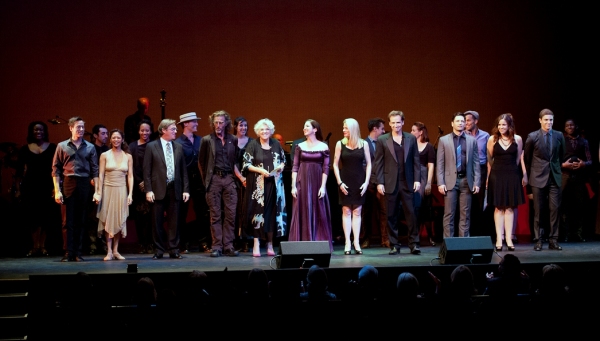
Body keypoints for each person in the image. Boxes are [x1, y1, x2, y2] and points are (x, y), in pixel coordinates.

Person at [373, 111, 421, 255]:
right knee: (391, 215)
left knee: (411, 214)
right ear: (389, 123)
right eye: (393, 123)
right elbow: (378, 163)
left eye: (398, 122)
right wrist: (379, 182)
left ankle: (414, 244)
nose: (395, 125)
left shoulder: (411, 138)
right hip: (389, 182)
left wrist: (418, 179)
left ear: (403, 122)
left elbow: (416, 161)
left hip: (407, 182)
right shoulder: (382, 140)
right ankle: (394, 244)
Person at [52, 117, 99, 262]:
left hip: (84, 182)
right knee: (67, 221)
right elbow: (56, 169)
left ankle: (78, 252)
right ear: (70, 128)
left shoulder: (90, 147)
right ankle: (68, 252)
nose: (81, 130)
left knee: (81, 219)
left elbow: (95, 171)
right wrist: (57, 190)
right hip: (68, 181)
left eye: (83, 127)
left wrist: (97, 191)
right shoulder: (62, 146)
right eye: (78, 127)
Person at [143, 118, 190, 259]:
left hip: (174, 188)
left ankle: (173, 249)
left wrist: (186, 189)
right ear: (163, 130)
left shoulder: (178, 147)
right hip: (157, 188)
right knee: (157, 221)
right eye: (173, 129)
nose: (176, 131)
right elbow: (147, 171)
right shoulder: (152, 146)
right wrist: (148, 190)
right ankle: (158, 250)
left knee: (174, 221)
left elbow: (183, 171)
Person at [198, 110, 241, 257]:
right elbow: (201, 162)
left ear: (226, 123)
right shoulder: (207, 140)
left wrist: (238, 178)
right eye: (215, 122)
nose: (218, 125)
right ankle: (217, 246)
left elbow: (235, 160)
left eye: (220, 122)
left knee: (231, 214)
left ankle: (228, 245)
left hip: (229, 178)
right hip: (214, 179)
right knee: (215, 215)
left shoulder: (233, 139)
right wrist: (207, 181)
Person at [242, 118, 286, 257]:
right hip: (258, 187)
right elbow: (246, 164)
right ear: (258, 131)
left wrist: (280, 167)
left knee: (272, 214)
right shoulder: (252, 145)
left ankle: (270, 244)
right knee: (258, 214)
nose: (265, 132)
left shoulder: (276, 144)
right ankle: (256, 243)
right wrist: (260, 170)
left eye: (267, 129)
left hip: (274, 185)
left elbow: (284, 161)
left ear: (271, 131)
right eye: (262, 129)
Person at [523, 109, 566, 251]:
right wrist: (529, 181)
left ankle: (553, 240)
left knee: (555, 209)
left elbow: (561, 155)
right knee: (539, 210)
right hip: (538, 177)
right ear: (540, 120)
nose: (549, 122)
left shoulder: (559, 136)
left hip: (554, 177)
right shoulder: (533, 136)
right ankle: (539, 240)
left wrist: (556, 170)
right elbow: (527, 159)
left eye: (551, 120)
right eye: (546, 120)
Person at [288, 119, 333, 252]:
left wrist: (323, 186)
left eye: (307, 126)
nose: (304, 128)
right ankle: (302, 243)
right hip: (302, 181)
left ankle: (319, 243)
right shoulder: (299, 146)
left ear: (315, 129)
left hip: (318, 181)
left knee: (319, 209)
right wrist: (293, 186)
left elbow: (326, 168)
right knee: (302, 209)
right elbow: (295, 167)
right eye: (304, 126)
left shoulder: (323, 146)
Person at [15, 121, 58, 257]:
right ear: (31, 132)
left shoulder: (53, 148)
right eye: (35, 130)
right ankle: (34, 246)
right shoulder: (24, 149)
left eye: (41, 130)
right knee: (32, 217)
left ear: (45, 132)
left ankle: (43, 246)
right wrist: (18, 189)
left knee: (46, 216)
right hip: (30, 186)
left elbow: (57, 169)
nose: (38, 132)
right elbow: (19, 172)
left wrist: (56, 188)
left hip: (47, 185)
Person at [436, 112, 480, 238]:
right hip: (450, 181)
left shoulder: (472, 141)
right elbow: (440, 163)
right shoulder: (444, 140)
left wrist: (477, 182)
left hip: (466, 180)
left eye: (463, 121)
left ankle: (464, 245)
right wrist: (440, 182)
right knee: (449, 214)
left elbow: (476, 163)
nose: (461, 123)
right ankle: (449, 245)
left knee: (465, 215)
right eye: (458, 121)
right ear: (452, 123)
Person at [486, 114, 527, 251]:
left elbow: (518, 158)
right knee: (498, 207)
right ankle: (499, 238)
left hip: (512, 174)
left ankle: (509, 238)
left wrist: (517, 173)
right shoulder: (492, 139)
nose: (501, 127)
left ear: (509, 125)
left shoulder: (518, 139)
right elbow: (489, 160)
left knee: (509, 207)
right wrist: (489, 177)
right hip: (497, 175)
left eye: (504, 124)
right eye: (499, 125)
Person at [332, 118, 371, 255]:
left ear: (353, 129)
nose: (343, 130)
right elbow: (335, 164)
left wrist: (366, 183)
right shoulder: (340, 144)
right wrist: (339, 182)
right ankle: (347, 242)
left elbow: (369, 164)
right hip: (345, 181)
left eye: (346, 128)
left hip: (360, 181)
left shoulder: (364, 144)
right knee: (346, 211)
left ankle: (356, 242)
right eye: (343, 127)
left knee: (358, 211)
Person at [93, 129, 133, 261]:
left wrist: (130, 194)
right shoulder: (104, 155)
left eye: (118, 138)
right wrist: (98, 192)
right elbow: (101, 174)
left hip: (121, 190)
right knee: (108, 220)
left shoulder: (128, 156)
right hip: (108, 189)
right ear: (110, 140)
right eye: (114, 138)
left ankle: (116, 250)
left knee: (119, 219)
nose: (116, 140)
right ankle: (109, 251)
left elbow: (130, 176)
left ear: (122, 139)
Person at [174, 112, 207, 253]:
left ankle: (203, 242)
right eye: (194, 121)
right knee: (182, 214)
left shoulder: (201, 141)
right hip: (184, 183)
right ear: (185, 124)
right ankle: (182, 243)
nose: (197, 124)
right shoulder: (177, 143)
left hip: (199, 182)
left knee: (202, 213)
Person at [560, 118, 592, 242]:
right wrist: (564, 165)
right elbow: (555, 159)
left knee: (579, 206)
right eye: (567, 125)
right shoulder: (561, 140)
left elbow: (590, 161)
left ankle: (578, 233)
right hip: (564, 176)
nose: (569, 127)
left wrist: (584, 164)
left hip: (579, 178)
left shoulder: (584, 141)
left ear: (576, 126)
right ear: (564, 128)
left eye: (572, 125)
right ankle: (565, 234)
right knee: (563, 206)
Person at [360, 117, 388, 249]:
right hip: (369, 184)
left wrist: (380, 182)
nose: (384, 131)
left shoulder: (385, 143)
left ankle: (385, 239)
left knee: (384, 212)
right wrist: (373, 182)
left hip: (383, 183)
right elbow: (364, 165)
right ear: (375, 129)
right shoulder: (363, 143)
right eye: (382, 128)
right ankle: (365, 239)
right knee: (366, 213)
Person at [464, 110, 492, 237]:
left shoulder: (485, 136)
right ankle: (466, 232)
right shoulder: (462, 135)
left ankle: (478, 233)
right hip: (466, 170)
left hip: (481, 170)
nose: (466, 123)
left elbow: (489, 158)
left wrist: (488, 177)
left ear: (476, 121)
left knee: (479, 202)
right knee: (466, 202)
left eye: (468, 120)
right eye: (464, 121)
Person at [129, 119, 154, 254]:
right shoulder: (132, 146)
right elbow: (130, 167)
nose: (145, 132)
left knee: (151, 217)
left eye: (147, 130)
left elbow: (157, 166)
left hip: (152, 186)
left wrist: (148, 182)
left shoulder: (155, 145)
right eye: (142, 130)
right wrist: (140, 182)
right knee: (139, 217)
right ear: (138, 131)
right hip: (137, 186)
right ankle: (141, 243)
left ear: (151, 131)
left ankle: (150, 243)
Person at [410, 122, 436, 246]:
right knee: (414, 207)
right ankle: (414, 236)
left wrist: (429, 183)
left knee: (425, 208)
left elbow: (431, 166)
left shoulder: (428, 146)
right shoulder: (410, 145)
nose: (411, 132)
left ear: (420, 132)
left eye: (413, 130)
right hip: (412, 176)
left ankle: (430, 236)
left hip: (423, 176)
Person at [87, 124, 109, 255]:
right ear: (95, 135)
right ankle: (92, 243)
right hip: (92, 187)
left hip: (106, 187)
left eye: (107, 133)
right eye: (103, 133)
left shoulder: (107, 150)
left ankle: (102, 243)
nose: (106, 136)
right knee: (91, 216)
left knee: (104, 216)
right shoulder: (90, 149)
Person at [233, 116, 253, 252]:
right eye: (241, 125)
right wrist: (240, 177)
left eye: (245, 125)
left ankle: (247, 240)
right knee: (234, 210)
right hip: (235, 179)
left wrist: (247, 178)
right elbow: (231, 162)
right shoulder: (231, 141)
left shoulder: (252, 142)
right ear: (235, 127)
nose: (243, 128)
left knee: (248, 210)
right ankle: (235, 240)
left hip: (250, 179)